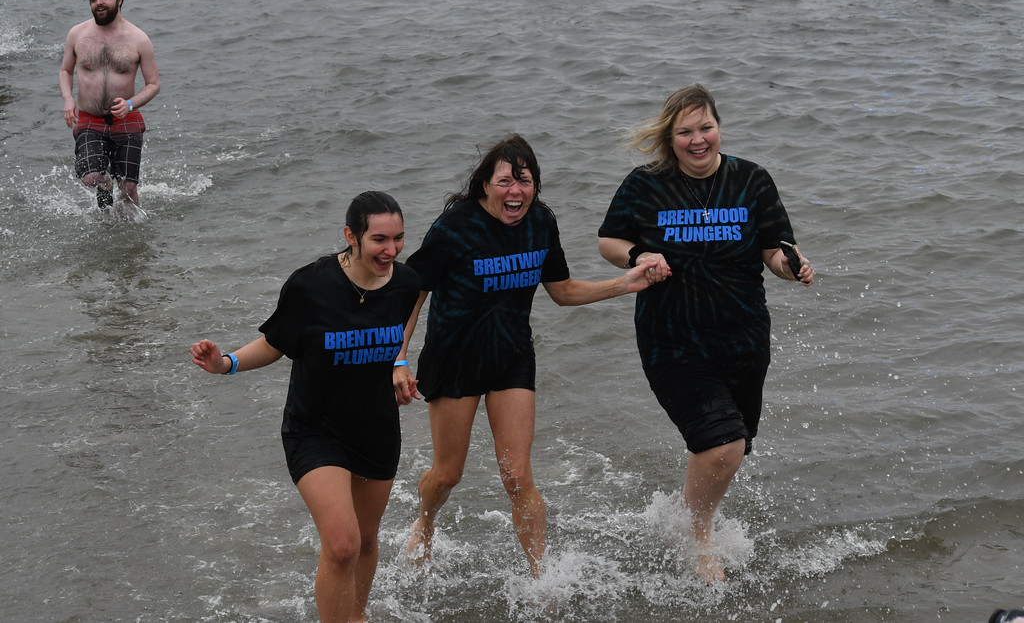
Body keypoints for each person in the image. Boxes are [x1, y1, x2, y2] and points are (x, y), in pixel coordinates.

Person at [393, 134, 661, 578]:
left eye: (525, 180)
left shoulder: (541, 223)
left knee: (517, 475)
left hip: (511, 356)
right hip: (454, 358)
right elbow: (412, 291)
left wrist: (625, 284)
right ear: (484, 185)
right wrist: (398, 358)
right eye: (504, 181)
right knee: (447, 475)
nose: (515, 191)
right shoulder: (454, 228)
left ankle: (541, 579)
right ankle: (425, 522)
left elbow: (562, 291)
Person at [597, 84, 815, 583]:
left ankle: (684, 515)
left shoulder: (752, 180)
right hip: (671, 337)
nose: (698, 140)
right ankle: (698, 537)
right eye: (685, 132)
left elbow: (776, 249)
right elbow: (609, 240)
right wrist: (638, 256)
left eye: (706, 128)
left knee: (729, 445)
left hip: (743, 337)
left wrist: (794, 266)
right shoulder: (646, 184)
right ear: (669, 138)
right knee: (723, 445)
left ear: (719, 127)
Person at [190, 191, 420, 623]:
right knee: (342, 545)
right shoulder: (310, 285)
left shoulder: (406, 284)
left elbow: (399, 332)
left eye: (399, 239)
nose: (391, 250)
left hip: (376, 428)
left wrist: (400, 366)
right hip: (315, 429)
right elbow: (276, 344)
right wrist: (225, 364)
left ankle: (356, 615)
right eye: (379, 240)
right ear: (350, 236)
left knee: (367, 541)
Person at [58, 0, 160, 212]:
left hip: (126, 118)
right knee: (91, 177)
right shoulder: (77, 34)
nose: (98, 3)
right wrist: (67, 98)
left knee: (128, 186)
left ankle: (132, 235)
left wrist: (131, 104)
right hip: (89, 118)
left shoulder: (139, 39)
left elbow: (153, 84)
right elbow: (65, 70)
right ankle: (105, 183)